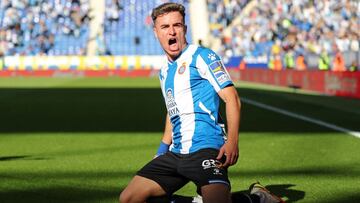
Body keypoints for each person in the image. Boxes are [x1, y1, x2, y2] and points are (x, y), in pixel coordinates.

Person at [120, 3, 284, 203]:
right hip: (176, 152)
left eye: (177, 25)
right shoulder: (164, 71)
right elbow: (173, 110)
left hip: (206, 148)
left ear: (185, 29)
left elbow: (232, 98)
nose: (172, 31)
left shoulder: (203, 57)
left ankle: (257, 199)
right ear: (156, 32)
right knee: (129, 199)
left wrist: (232, 141)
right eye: (165, 27)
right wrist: (162, 150)